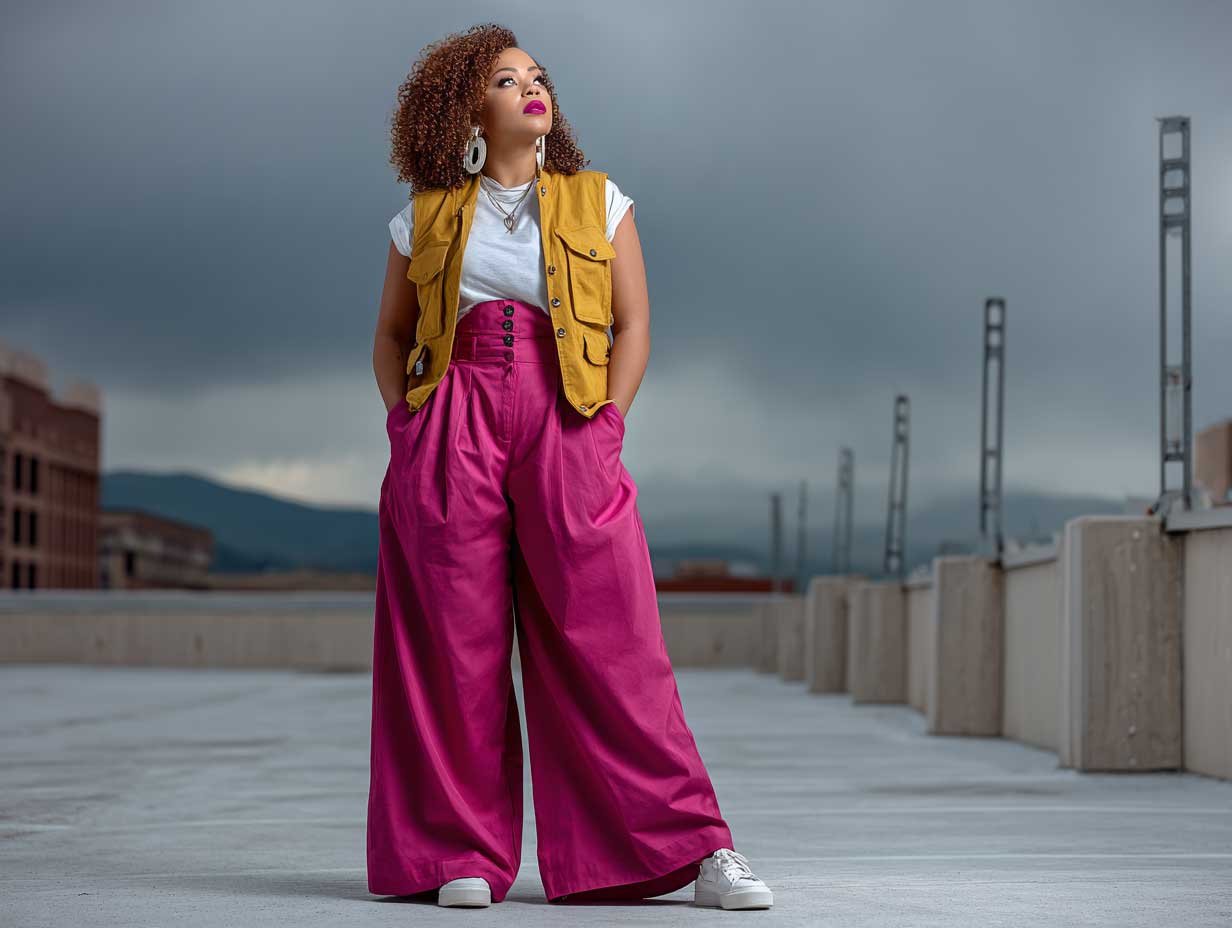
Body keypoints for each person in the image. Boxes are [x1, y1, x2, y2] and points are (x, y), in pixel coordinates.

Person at [367, 23, 774, 911]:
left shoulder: (599, 200)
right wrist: (409, 426)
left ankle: (694, 849)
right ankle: (456, 856)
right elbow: (393, 336)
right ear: (468, 105)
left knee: (614, 635)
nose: (530, 88)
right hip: (452, 416)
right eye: (507, 80)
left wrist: (606, 429)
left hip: (570, 412)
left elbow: (635, 323)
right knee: (452, 643)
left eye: (538, 76)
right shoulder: (425, 213)